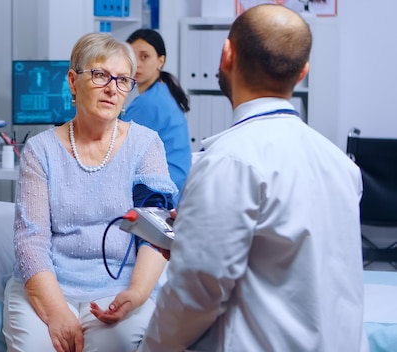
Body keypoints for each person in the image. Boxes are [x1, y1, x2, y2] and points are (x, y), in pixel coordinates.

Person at [139, 4, 369, 352]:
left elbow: (195, 293)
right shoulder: (341, 165)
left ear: (226, 54)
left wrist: (150, 347)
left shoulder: (229, 161)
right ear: (303, 71)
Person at [3, 32, 178, 352]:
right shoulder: (40, 150)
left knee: (121, 342)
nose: (112, 88)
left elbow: (155, 233)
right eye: (100, 75)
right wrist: (56, 311)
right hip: (51, 283)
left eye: (123, 79)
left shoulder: (146, 145)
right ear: (73, 81)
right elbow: (30, 240)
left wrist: (137, 294)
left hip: (122, 285)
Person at [123, 29, 191, 200]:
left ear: (160, 61)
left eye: (144, 57)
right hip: (175, 192)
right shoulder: (163, 91)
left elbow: (117, 152)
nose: (137, 63)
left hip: (160, 196)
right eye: (132, 56)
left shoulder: (148, 103)